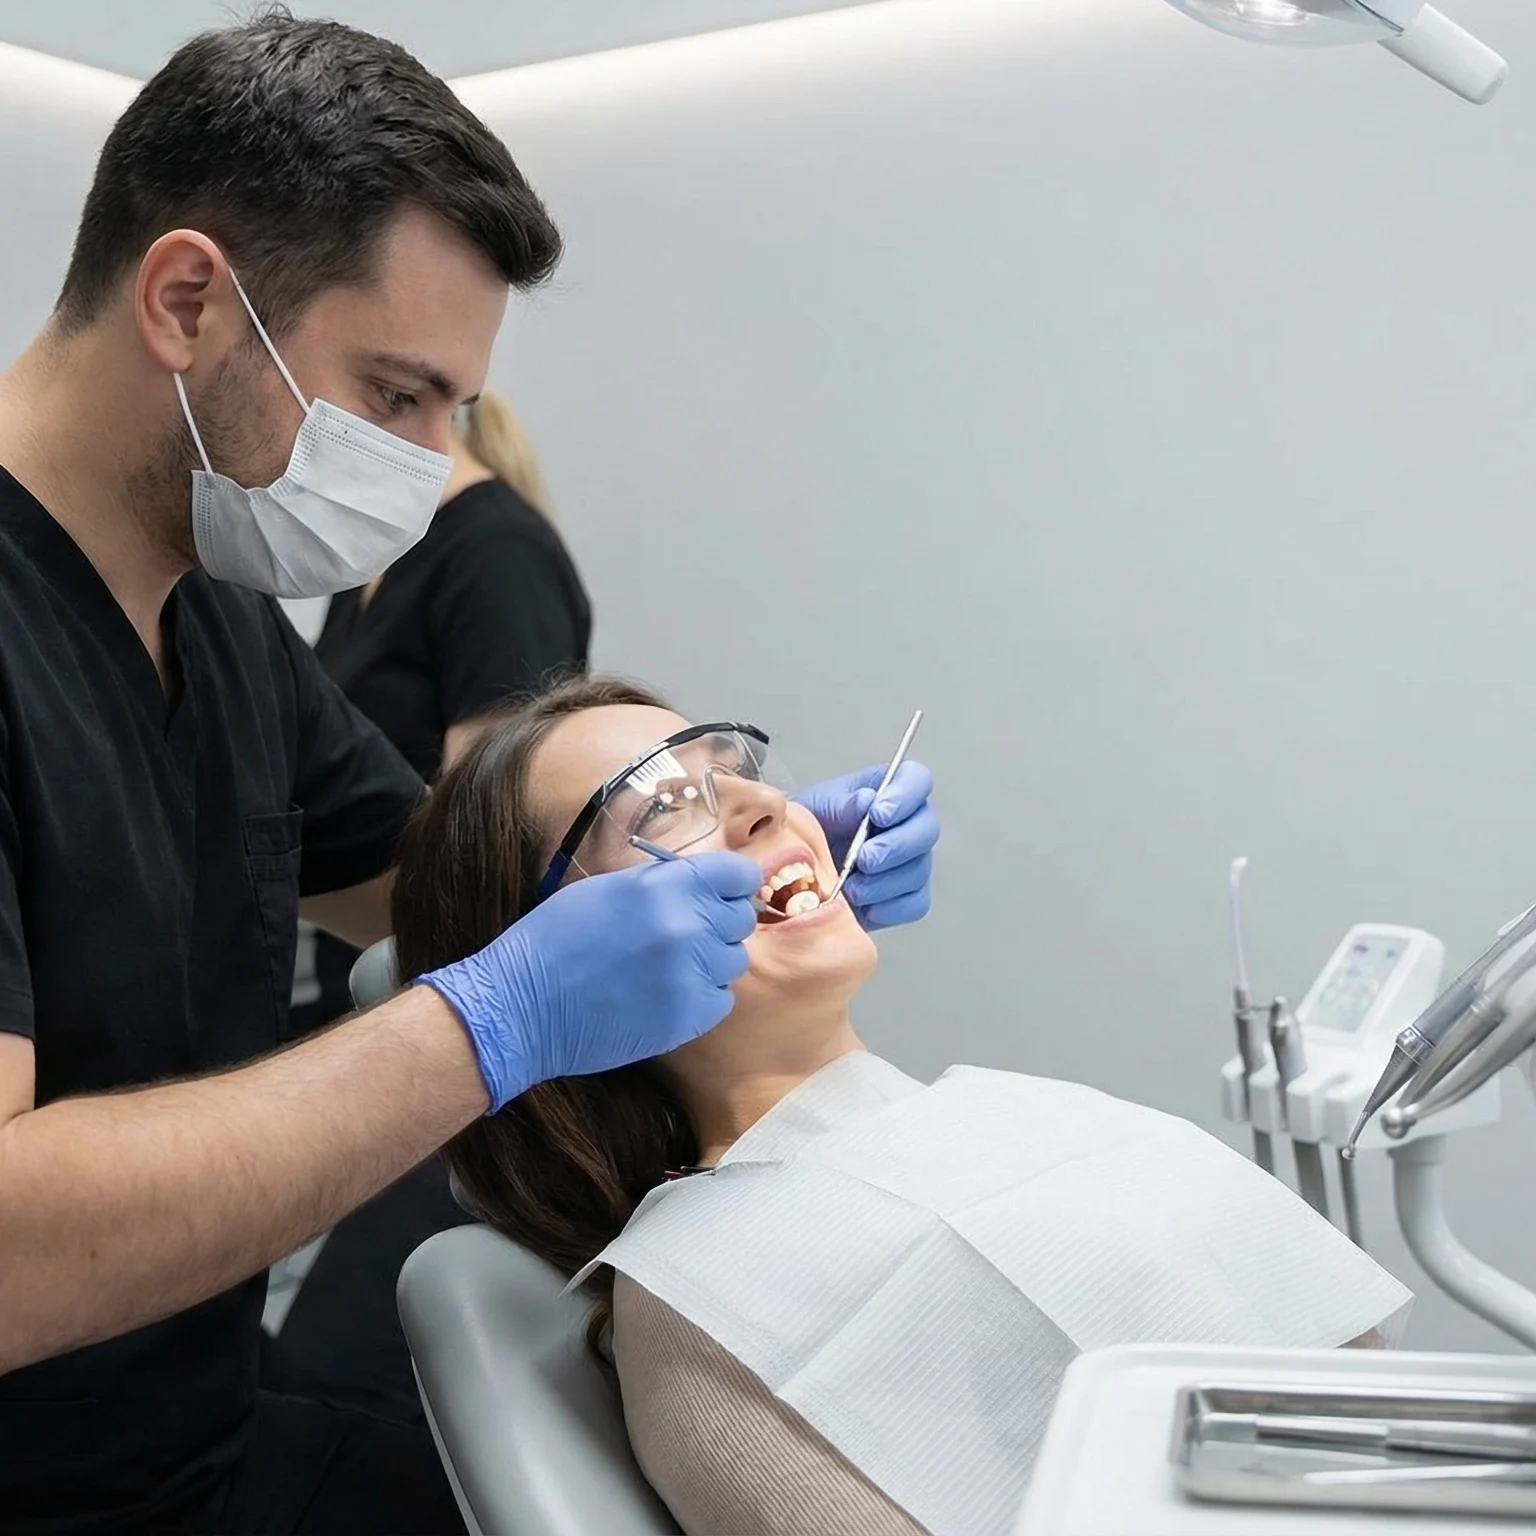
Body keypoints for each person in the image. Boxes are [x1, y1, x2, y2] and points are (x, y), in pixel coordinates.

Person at [0, 15, 940, 1534]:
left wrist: (729, 847)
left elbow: (431, 869)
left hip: (202, 1437)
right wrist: (487, 1024)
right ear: (187, 301)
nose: (440, 463)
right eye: (394, 397)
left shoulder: (219, 624)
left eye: (453, 405)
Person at [389, 674, 1412, 1536]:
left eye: (729, 768)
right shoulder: (699, 1312)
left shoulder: (1018, 1114)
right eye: (661, 808)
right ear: (566, 965)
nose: (761, 807)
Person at [270, 390, 590, 1422]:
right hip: (348, 1010)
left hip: (427, 1043)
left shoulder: (495, 558)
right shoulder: (368, 562)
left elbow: (501, 851)